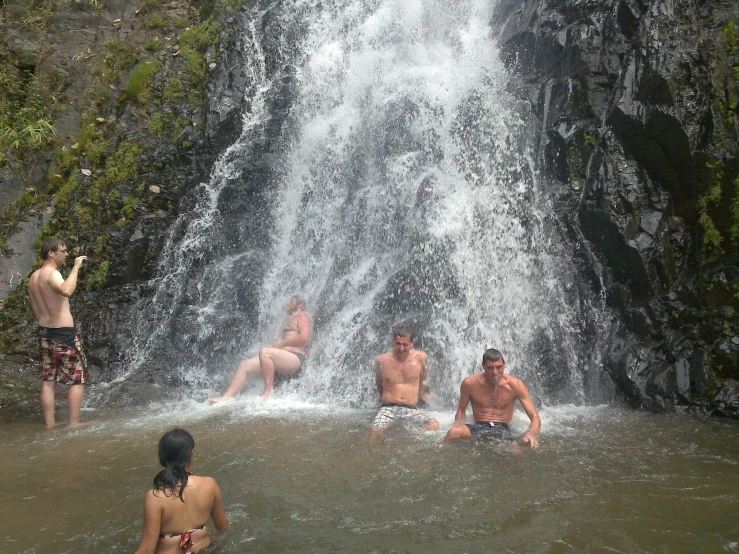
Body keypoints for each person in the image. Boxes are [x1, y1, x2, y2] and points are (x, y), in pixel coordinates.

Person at [135, 429, 229, 554]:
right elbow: (222, 526)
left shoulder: (155, 496)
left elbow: (147, 550)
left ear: (162, 458)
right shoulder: (210, 485)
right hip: (205, 550)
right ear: (191, 455)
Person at [27, 238, 88, 429]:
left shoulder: (34, 277)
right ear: (51, 253)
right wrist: (76, 267)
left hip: (44, 335)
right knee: (78, 378)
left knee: (48, 379)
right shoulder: (51, 274)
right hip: (63, 335)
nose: (67, 254)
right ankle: (73, 423)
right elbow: (67, 290)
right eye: (63, 251)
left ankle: (50, 424)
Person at [208, 295, 311, 402]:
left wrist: (282, 343)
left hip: (295, 357)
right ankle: (226, 397)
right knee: (244, 365)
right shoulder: (288, 320)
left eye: (292, 302)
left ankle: (269, 392)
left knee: (265, 353)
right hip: (283, 357)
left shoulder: (302, 317)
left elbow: (304, 337)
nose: (288, 304)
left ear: (300, 305)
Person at [443, 348, 541, 446]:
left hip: (502, 427)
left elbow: (535, 416)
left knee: (516, 452)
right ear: (483, 366)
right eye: (490, 368)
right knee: (453, 432)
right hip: (478, 425)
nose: (495, 372)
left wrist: (532, 433)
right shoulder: (470, 383)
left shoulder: (515, 385)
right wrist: (458, 424)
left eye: (499, 367)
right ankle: (442, 455)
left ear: (504, 365)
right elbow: (461, 410)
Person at [371, 327, 439, 436]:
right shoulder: (381, 360)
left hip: (411, 409)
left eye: (405, 345)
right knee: (375, 433)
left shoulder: (421, 358)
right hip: (388, 408)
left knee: (434, 425)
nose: (401, 348)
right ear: (393, 341)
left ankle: (410, 438)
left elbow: (423, 378)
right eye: (398, 344)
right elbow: (379, 383)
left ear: (412, 343)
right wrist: (383, 400)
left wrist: (422, 395)